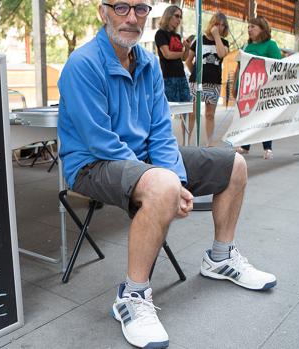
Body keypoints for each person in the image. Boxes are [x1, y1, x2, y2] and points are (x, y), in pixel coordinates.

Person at [57, 2, 277, 348]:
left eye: (140, 9)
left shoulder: (147, 64)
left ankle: (220, 258)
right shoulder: (82, 64)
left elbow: (161, 131)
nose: (131, 17)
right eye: (121, 8)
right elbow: (100, 141)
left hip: (141, 160)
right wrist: (165, 182)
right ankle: (131, 296)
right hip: (91, 164)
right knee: (162, 185)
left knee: (234, 164)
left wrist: (176, 178)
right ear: (103, 13)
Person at [236, 17, 282, 159]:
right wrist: (236, 86)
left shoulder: (271, 45)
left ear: (262, 29)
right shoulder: (246, 46)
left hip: (264, 89)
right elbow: (240, 67)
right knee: (246, 117)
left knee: (264, 118)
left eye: (253, 27)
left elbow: (278, 66)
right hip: (247, 89)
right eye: (248, 27)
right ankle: (245, 146)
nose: (249, 29)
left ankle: (268, 148)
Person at [185, 12, 230, 146]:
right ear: (211, 23)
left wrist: (217, 36)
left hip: (214, 82)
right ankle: (186, 142)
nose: (219, 27)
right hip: (196, 82)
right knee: (192, 113)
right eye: (216, 24)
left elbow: (222, 54)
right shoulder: (199, 39)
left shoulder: (224, 42)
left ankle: (209, 144)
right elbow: (188, 61)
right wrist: (196, 74)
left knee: (210, 114)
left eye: (222, 25)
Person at [155, 5, 192, 103]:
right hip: (168, 78)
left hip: (181, 76)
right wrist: (183, 52)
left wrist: (187, 47)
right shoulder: (160, 33)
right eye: (177, 16)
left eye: (180, 17)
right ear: (168, 15)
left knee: (186, 106)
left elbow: (184, 58)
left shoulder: (177, 36)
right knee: (171, 109)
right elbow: (167, 54)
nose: (179, 19)